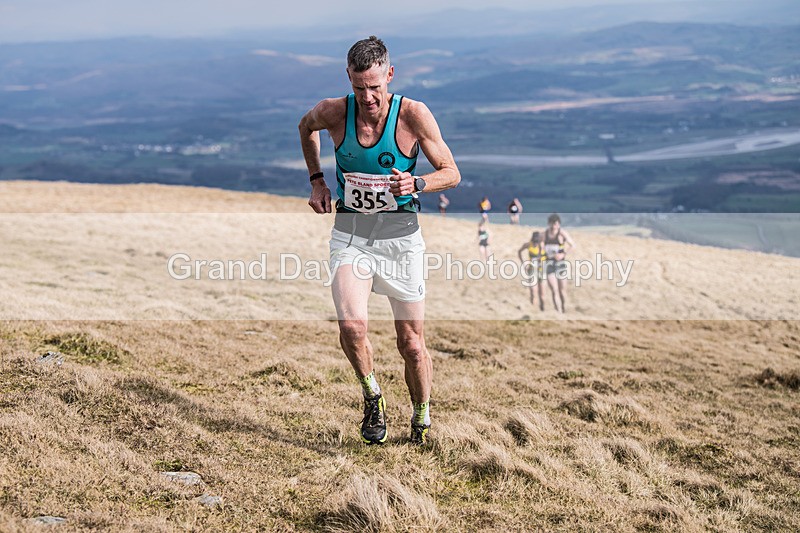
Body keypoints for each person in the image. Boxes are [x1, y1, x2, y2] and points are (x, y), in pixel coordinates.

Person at [298, 36, 460, 446]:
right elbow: (305, 128)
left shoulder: (413, 115)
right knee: (351, 326)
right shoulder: (334, 112)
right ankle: (372, 396)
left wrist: (418, 181)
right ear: (348, 80)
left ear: (390, 74)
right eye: (359, 87)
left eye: (374, 86)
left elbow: (451, 172)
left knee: (411, 343)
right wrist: (318, 181)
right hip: (351, 236)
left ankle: (421, 415)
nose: (368, 97)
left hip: (401, 241)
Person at [543, 213, 575, 313]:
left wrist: (563, 254)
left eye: (556, 224)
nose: (554, 226)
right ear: (549, 224)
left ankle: (564, 308)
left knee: (562, 290)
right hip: (549, 264)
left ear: (559, 224)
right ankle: (558, 311)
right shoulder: (545, 234)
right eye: (552, 224)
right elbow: (539, 247)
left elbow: (573, 245)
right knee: (554, 289)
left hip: (560, 264)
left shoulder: (562, 234)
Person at [518, 230, 545, 310]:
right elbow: (519, 252)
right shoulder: (528, 244)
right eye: (534, 241)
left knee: (542, 294)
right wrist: (523, 263)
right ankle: (533, 310)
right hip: (532, 270)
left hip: (542, 270)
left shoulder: (543, 245)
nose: (535, 243)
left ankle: (542, 308)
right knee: (533, 291)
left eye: (537, 241)